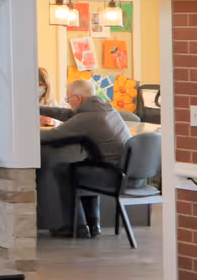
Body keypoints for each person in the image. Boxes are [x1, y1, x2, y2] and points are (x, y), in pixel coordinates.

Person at [35, 78, 131, 235]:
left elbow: (50, 136)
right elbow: (67, 114)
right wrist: (38, 108)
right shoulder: (104, 108)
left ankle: (75, 227)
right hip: (122, 171)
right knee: (85, 165)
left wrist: (19, 133)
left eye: (68, 99)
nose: (68, 103)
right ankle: (93, 224)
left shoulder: (87, 118)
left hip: (111, 176)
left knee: (65, 171)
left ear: (77, 98)